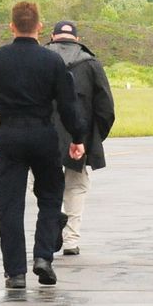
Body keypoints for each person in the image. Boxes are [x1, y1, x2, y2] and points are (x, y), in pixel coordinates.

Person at [0, 1, 86, 289]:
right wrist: (77, 138)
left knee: (9, 205)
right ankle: (43, 257)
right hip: (43, 135)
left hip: (9, 135)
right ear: (40, 26)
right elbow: (69, 105)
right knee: (50, 196)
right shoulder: (52, 61)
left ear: (11, 26)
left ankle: (16, 272)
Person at [47, 20, 115, 256]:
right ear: (77, 38)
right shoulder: (90, 63)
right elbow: (106, 108)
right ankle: (71, 241)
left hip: (43, 134)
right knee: (76, 187)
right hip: (80, 135)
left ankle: (51, 221)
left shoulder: (41, 58)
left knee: (45, 185)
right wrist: (94, 137)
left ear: (52, 36)